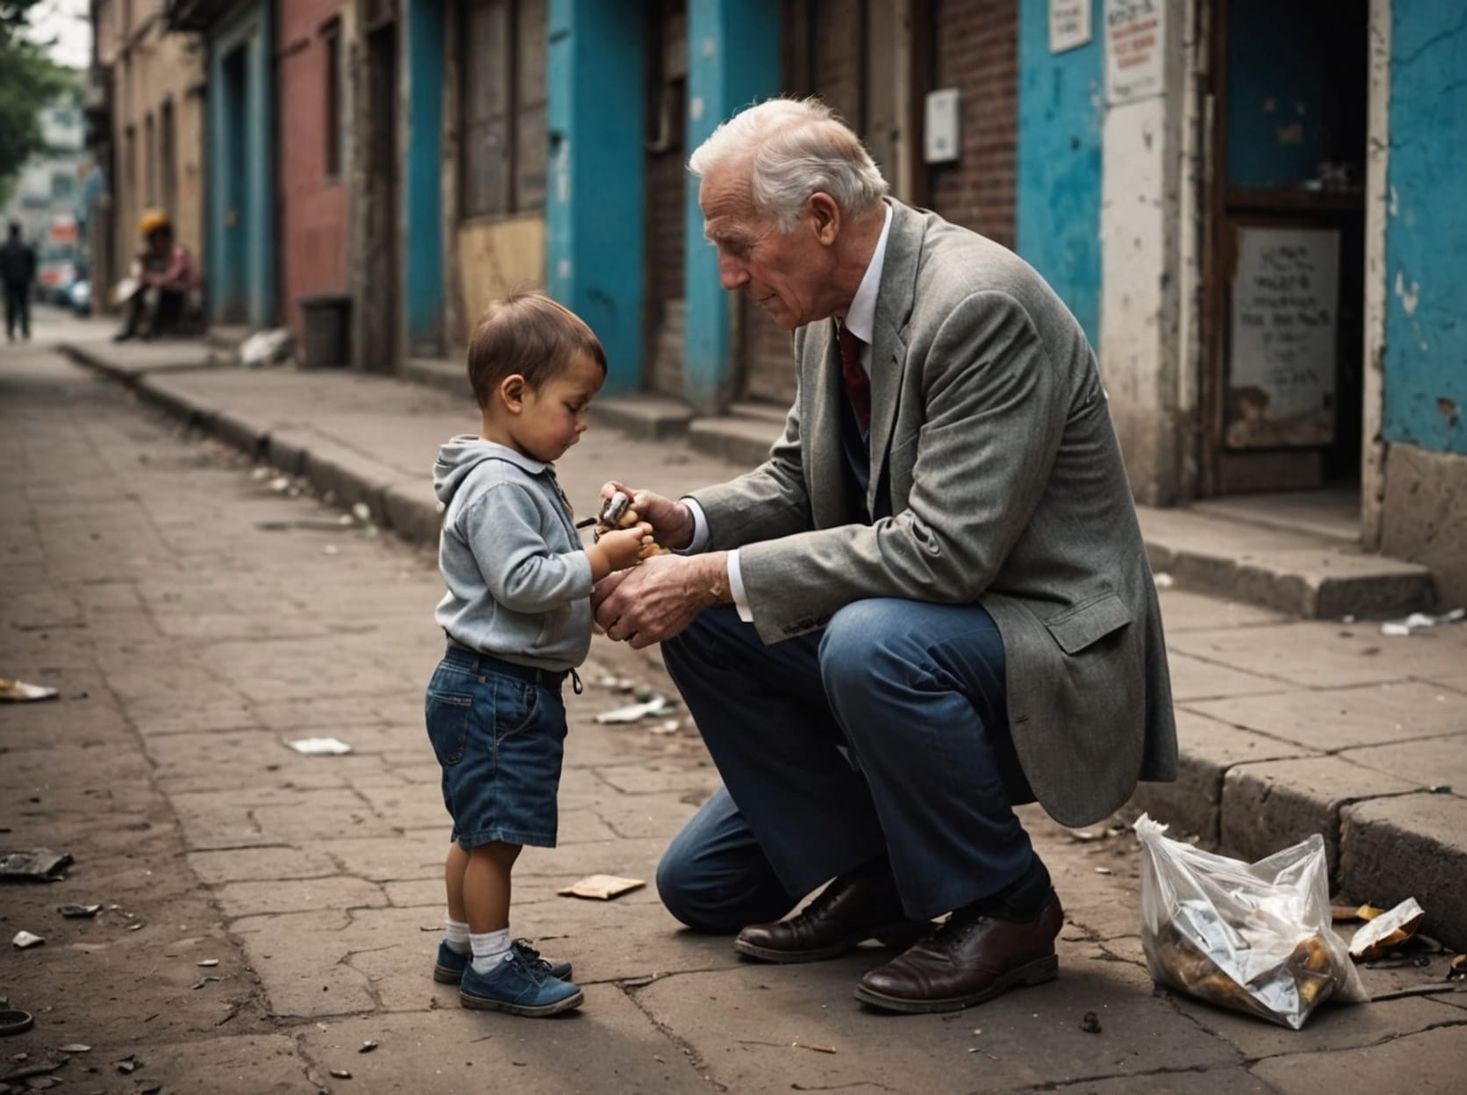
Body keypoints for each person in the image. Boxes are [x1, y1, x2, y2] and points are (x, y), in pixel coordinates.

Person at [592, 98, 1178, 1014]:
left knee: (866, 641)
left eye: (738, 244)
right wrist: (690, 526)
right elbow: (797, 479)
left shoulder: (977, 305)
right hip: (932, 626)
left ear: (822, 218)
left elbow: (944, 554)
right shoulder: (827, 312)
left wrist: (710, 577)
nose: (729, 276)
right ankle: (883, 877)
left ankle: (1005, 903)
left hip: (1043, 644)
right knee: (696, 883)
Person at [425, 289, 656, 1018]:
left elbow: (537, 572)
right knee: (496, 836)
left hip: (495, 685)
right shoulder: (497, 483)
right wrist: (598, 558)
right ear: (515, 393)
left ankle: (463, 945)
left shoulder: (517, 472)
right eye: (574, 405)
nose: (583, 424)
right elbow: (522, 582)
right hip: (498, 691)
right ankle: (490, 967)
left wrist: (599, 556)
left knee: (477, 827)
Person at [113, 210, 196, 341]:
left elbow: (171, 277)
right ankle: (131, 326)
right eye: (154, 239)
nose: (158, 243)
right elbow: (137, 272)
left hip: (180, 294)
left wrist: (150, 278)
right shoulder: (150, 255)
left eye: (160, 238)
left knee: (157, 291)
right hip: (165, 289)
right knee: (137, 291)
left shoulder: (178, 253)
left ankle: (152, 327)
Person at [1, 222, 35, 342]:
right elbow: (32, 266)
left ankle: (10, 332)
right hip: (23, 282)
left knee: (11, 308)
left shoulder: (4, 249)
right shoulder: (26, 248)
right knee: (24, 307)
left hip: (9, 282)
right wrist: (31, 278)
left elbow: (1, 266)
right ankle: (25, 331)